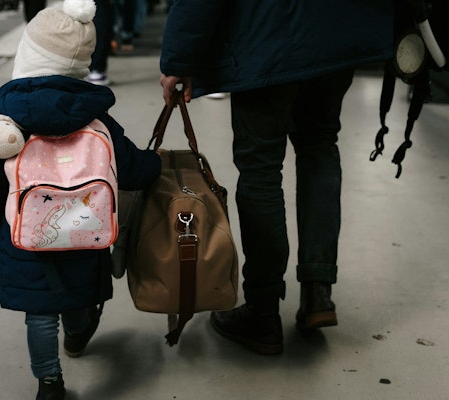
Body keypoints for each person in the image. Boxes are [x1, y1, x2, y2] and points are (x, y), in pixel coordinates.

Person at [160, 0, 393, 355]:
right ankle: (318, 293)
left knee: (260, 168)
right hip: (339, 26)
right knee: (319, 147)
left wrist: (179, 57)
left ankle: (262, 310)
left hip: (268, 30)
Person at [0, 1, 161, 399]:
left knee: (41, 314)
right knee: (80, 298)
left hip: (27, 242)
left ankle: (49, 383)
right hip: (87, 236)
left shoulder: (4, 127)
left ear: (27, 56)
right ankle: (80, 331)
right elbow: (133, 169)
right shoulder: (98, 121)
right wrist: (156, 163)